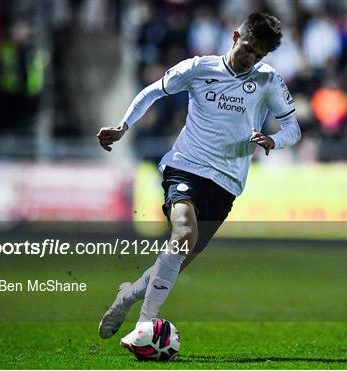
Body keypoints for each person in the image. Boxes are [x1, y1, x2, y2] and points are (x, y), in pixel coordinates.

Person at [97, 12, 301, 347]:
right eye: (249, 48)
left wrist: (273, 140)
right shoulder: (199, 68)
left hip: (226, 184)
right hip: (186, 166)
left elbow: (293, 128)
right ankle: (145, 327)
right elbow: (152, 92)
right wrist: (123, 126)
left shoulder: (267, 80)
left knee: (179, 256)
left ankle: (130, 293)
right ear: (236, 37)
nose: (252, 59)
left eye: (260, 55)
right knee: (183, 234)